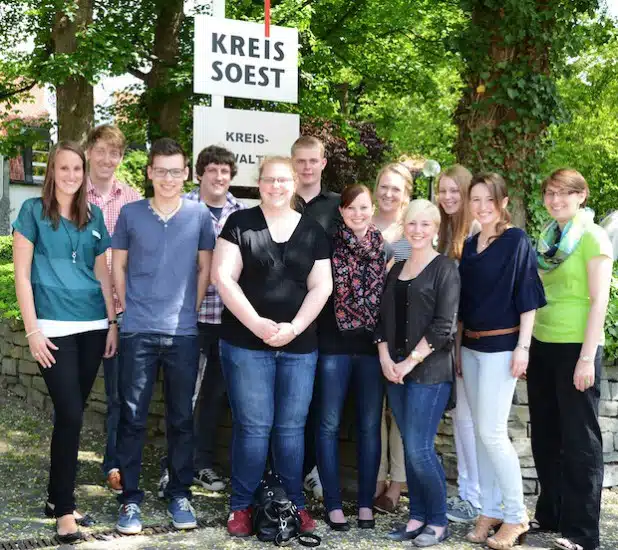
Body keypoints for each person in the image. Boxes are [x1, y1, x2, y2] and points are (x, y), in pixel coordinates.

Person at [212, 156, 332, 537]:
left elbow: (321, 286)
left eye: (283, 180)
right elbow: (223, 277)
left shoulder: (313, 230)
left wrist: (294, 327)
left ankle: (293, 504)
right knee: (253, 427)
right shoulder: (239, 224)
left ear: (294, 183)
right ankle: (241, 507)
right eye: (268, 180)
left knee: (291, 430)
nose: (275, 186)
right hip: (246, 343)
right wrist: (258, 324)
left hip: (299, 346)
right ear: (258, 183)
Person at [13, 141, 118, 543]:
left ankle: (58, 499)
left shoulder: (92, 216)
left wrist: (111, 322)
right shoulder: (32, 213)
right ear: (51, 172)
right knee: (72, 413)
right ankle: (65, 511)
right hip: (52, 328)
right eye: (63, 168)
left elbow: (102, 272)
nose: (71, 175)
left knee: (70, 417)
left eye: (77, 168)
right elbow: (22, 275)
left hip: (92, 324)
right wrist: (33, 329)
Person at [111, 138, 215, 535]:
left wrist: (191, 308)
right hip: (138, 328)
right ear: (150, 172)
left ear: (185, 173)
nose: (169, 178)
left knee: (181, 418)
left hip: (183, 333)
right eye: (161, 170)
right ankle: (131, 500)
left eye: (176, 170)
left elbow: (205, 268)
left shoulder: (199, 215)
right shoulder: (131, 213)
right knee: (133, 416)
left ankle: (179, 493)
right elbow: (117, 264)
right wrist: (127, 306)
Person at [459, 173, 546, 549]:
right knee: (480, 433)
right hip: (469, 348)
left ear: (504, 202)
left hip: (502, 347)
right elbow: (462, 301)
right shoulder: (469, 243)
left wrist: (523, 348)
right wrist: (457, 348)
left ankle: (516, 516)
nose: (481, 207)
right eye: (475, 199)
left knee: (493, 433)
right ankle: (490, 509)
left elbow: (527, 295)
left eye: (488, 200)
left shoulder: (516, 240)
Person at [528, 169, 613, 550]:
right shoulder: (547, 238)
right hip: (543, 342)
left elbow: (600, 301)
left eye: (565, 193)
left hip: (577, 346)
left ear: (582, 196)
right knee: (546, 436)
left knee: (580, 442)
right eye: (550, 193)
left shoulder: (593, 238)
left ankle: (582, 534)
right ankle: (552, 515)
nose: (556, 200)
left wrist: (585, 359)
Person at [376, 199, 459, 547]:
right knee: (410, 446)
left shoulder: (445, 269)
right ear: (404, 227)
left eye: (426, 224)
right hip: (395, 371)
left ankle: (438, 522)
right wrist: (384, 358)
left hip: (429, 373)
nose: (418, 230)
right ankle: (417, 517)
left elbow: (443, 327)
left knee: (421, 448)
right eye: (412, 224)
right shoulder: (396, 269)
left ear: (436, 230)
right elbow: (382, 319)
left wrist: (409, 362)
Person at [316, 184, 389, 531]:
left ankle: (364, 505)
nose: (357, 214)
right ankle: (332, 504)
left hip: (372, 349)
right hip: (333, 345)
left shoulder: (386, 248)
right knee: (328, 425)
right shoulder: (327, 244)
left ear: (371, 209)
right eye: (351, 209)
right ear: (342, 212)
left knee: (368, 426)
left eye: (364, 208)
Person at [85, 124, 141, 495]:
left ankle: (114, 464)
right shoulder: (72, 193)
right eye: (101, 150)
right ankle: (62, 463)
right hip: (76, 310)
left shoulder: (133, 199)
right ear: (89, 151)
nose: (107, 159)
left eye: (114, 153)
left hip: (119, 312)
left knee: (120, 395)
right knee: (72, 393)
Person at [291, 135, 339, 500]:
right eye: (300, 161)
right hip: (284, 313)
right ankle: (286, 472)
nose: (307, 167)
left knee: (321, 401)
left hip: (329, 317)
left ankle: (314, 470)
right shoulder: (278, 199)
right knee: (291, 401)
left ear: (323, 163)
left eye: (313, 161)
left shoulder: (338, 206)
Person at [435, 164, 483, 524]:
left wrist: (460, 344)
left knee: (473, 421)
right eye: (443, 190)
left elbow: (474, 298)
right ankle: (469, 493)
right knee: (461, 417)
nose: (448, 197)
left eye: (455, 191)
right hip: (453, 339)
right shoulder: (445, 230)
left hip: (474, 339)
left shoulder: (478, 233)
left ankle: (475, 497)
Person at [372, 162, 414, 513]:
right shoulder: (362, 221)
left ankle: (397, 485)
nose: (388, 194)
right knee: (372, 411)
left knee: (398, 413)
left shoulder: (411, 230)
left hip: (402, 331)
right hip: (365, 332)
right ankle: (376, 481)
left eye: (396, 189)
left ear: (406, 194)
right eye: (383, 187)